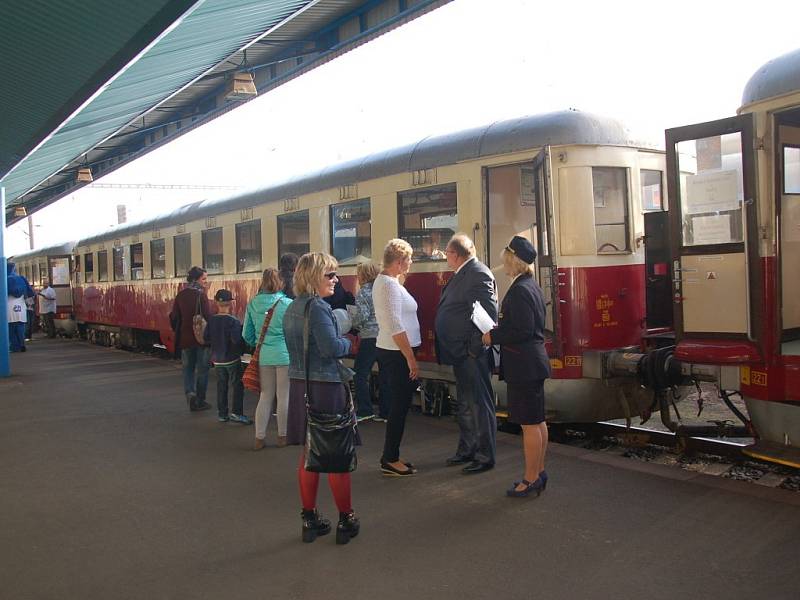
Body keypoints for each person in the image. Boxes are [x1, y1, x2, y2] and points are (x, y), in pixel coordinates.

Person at [282, 252, 359, 544]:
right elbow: (330, 348)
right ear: (314, 277)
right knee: (335, 455)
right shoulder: (318, 308)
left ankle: (310, 519)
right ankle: (346, 520)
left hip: (299, 385)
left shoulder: (292, 308)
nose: (336, 280)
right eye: (330, 275)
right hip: (325, 387)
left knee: (309, 455)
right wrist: (348, 342)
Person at [482, 237, 551, 497]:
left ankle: (531, 478)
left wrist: (493, 336)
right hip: (532, 362)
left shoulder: (520, 289)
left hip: (524, 364)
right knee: (538, 421)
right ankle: (539, 471)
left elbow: (520, 330)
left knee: (529, 425)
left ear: (514, 260)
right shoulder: (531, 286)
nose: (503, 264)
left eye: (506, 259)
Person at [434, 233, 498, 474]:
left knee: (479, 404)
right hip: (461, 353)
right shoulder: (463, 273)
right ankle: (468, 449)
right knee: (466, 403)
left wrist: (472, 349)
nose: (445, 257)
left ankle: (484, 456)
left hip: (471, 354)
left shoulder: (478, 273)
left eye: (447, 253)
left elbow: (487, 315)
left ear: (455, 254)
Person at [373, 239, 421, 476]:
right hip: (397, 354)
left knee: (399, 406)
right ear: (400, 261)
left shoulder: (390, 282)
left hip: (396, 352)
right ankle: (389, 458)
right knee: (399, 407)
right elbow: (394, 324)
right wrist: (411, 358)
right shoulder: (388, 285)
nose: (411, 263)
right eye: (409, 259)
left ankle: (392, 454)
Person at [244, 267, 292, 449]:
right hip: (284, 355)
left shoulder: (253, 303)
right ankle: (282, 437)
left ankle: (259, 438)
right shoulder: (287, 303)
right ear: (281, 282)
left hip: (263, 355)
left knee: (265, 396)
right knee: (283, 396)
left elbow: (246, 334)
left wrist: (256, 342)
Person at [350, 261, 391, 422]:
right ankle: (386, 413)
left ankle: (365, 410)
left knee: (360, 373)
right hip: (386, 337)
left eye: (358, 274)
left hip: (370, 338)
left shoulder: (364, 292)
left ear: (364, 275)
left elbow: (362, 316)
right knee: (385, 375)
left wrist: (352, 321)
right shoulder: (384, 290)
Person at [204, 289, 251, 424]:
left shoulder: (211, 320)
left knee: (221, 385)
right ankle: (236, 413)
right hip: (231, 359)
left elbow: (206, 337)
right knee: (237, 385)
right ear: (230, 303)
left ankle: (222, 414)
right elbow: (236, 340)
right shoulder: (233, 321)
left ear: (216, 303)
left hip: (217, 360)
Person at [169, 266, 212, 411]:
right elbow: (208, 316)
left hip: (185, 339)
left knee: (188, 369)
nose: (206, 282)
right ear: (196, 279)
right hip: (201, 340)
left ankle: (190, 394)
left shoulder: (181, 295)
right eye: (204, 279)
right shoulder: (201, 295)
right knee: (202, 370)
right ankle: (200, 400)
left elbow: (174, 316)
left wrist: (179, 330)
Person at [6, 262, 34, 353]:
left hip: (8, 306)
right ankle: (22, 344)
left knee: (11, 328)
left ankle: (14, 346)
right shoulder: (22, 278)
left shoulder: (5, 279)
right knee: (20, 326)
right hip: (21, 306)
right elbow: (31, 293)